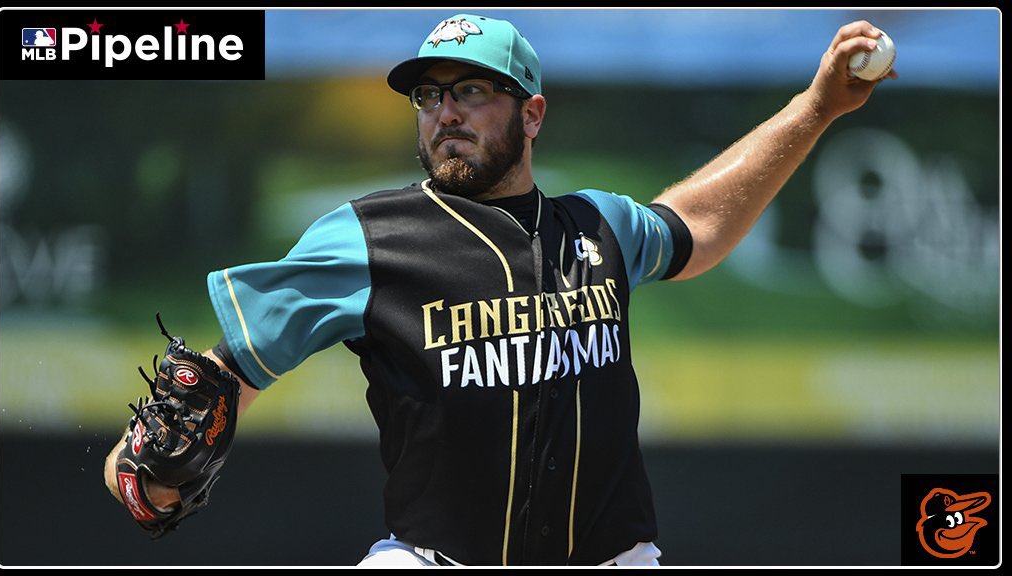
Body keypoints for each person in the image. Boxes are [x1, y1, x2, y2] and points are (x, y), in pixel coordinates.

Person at [104, 12, 895, 566]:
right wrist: (144, 475)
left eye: (470, 91)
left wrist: (815, 108)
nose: (444, 112)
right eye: (428, 96)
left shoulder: (600, 226)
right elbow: (220, 380)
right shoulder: (366, 237)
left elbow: (697, 228)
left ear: (532, 112)